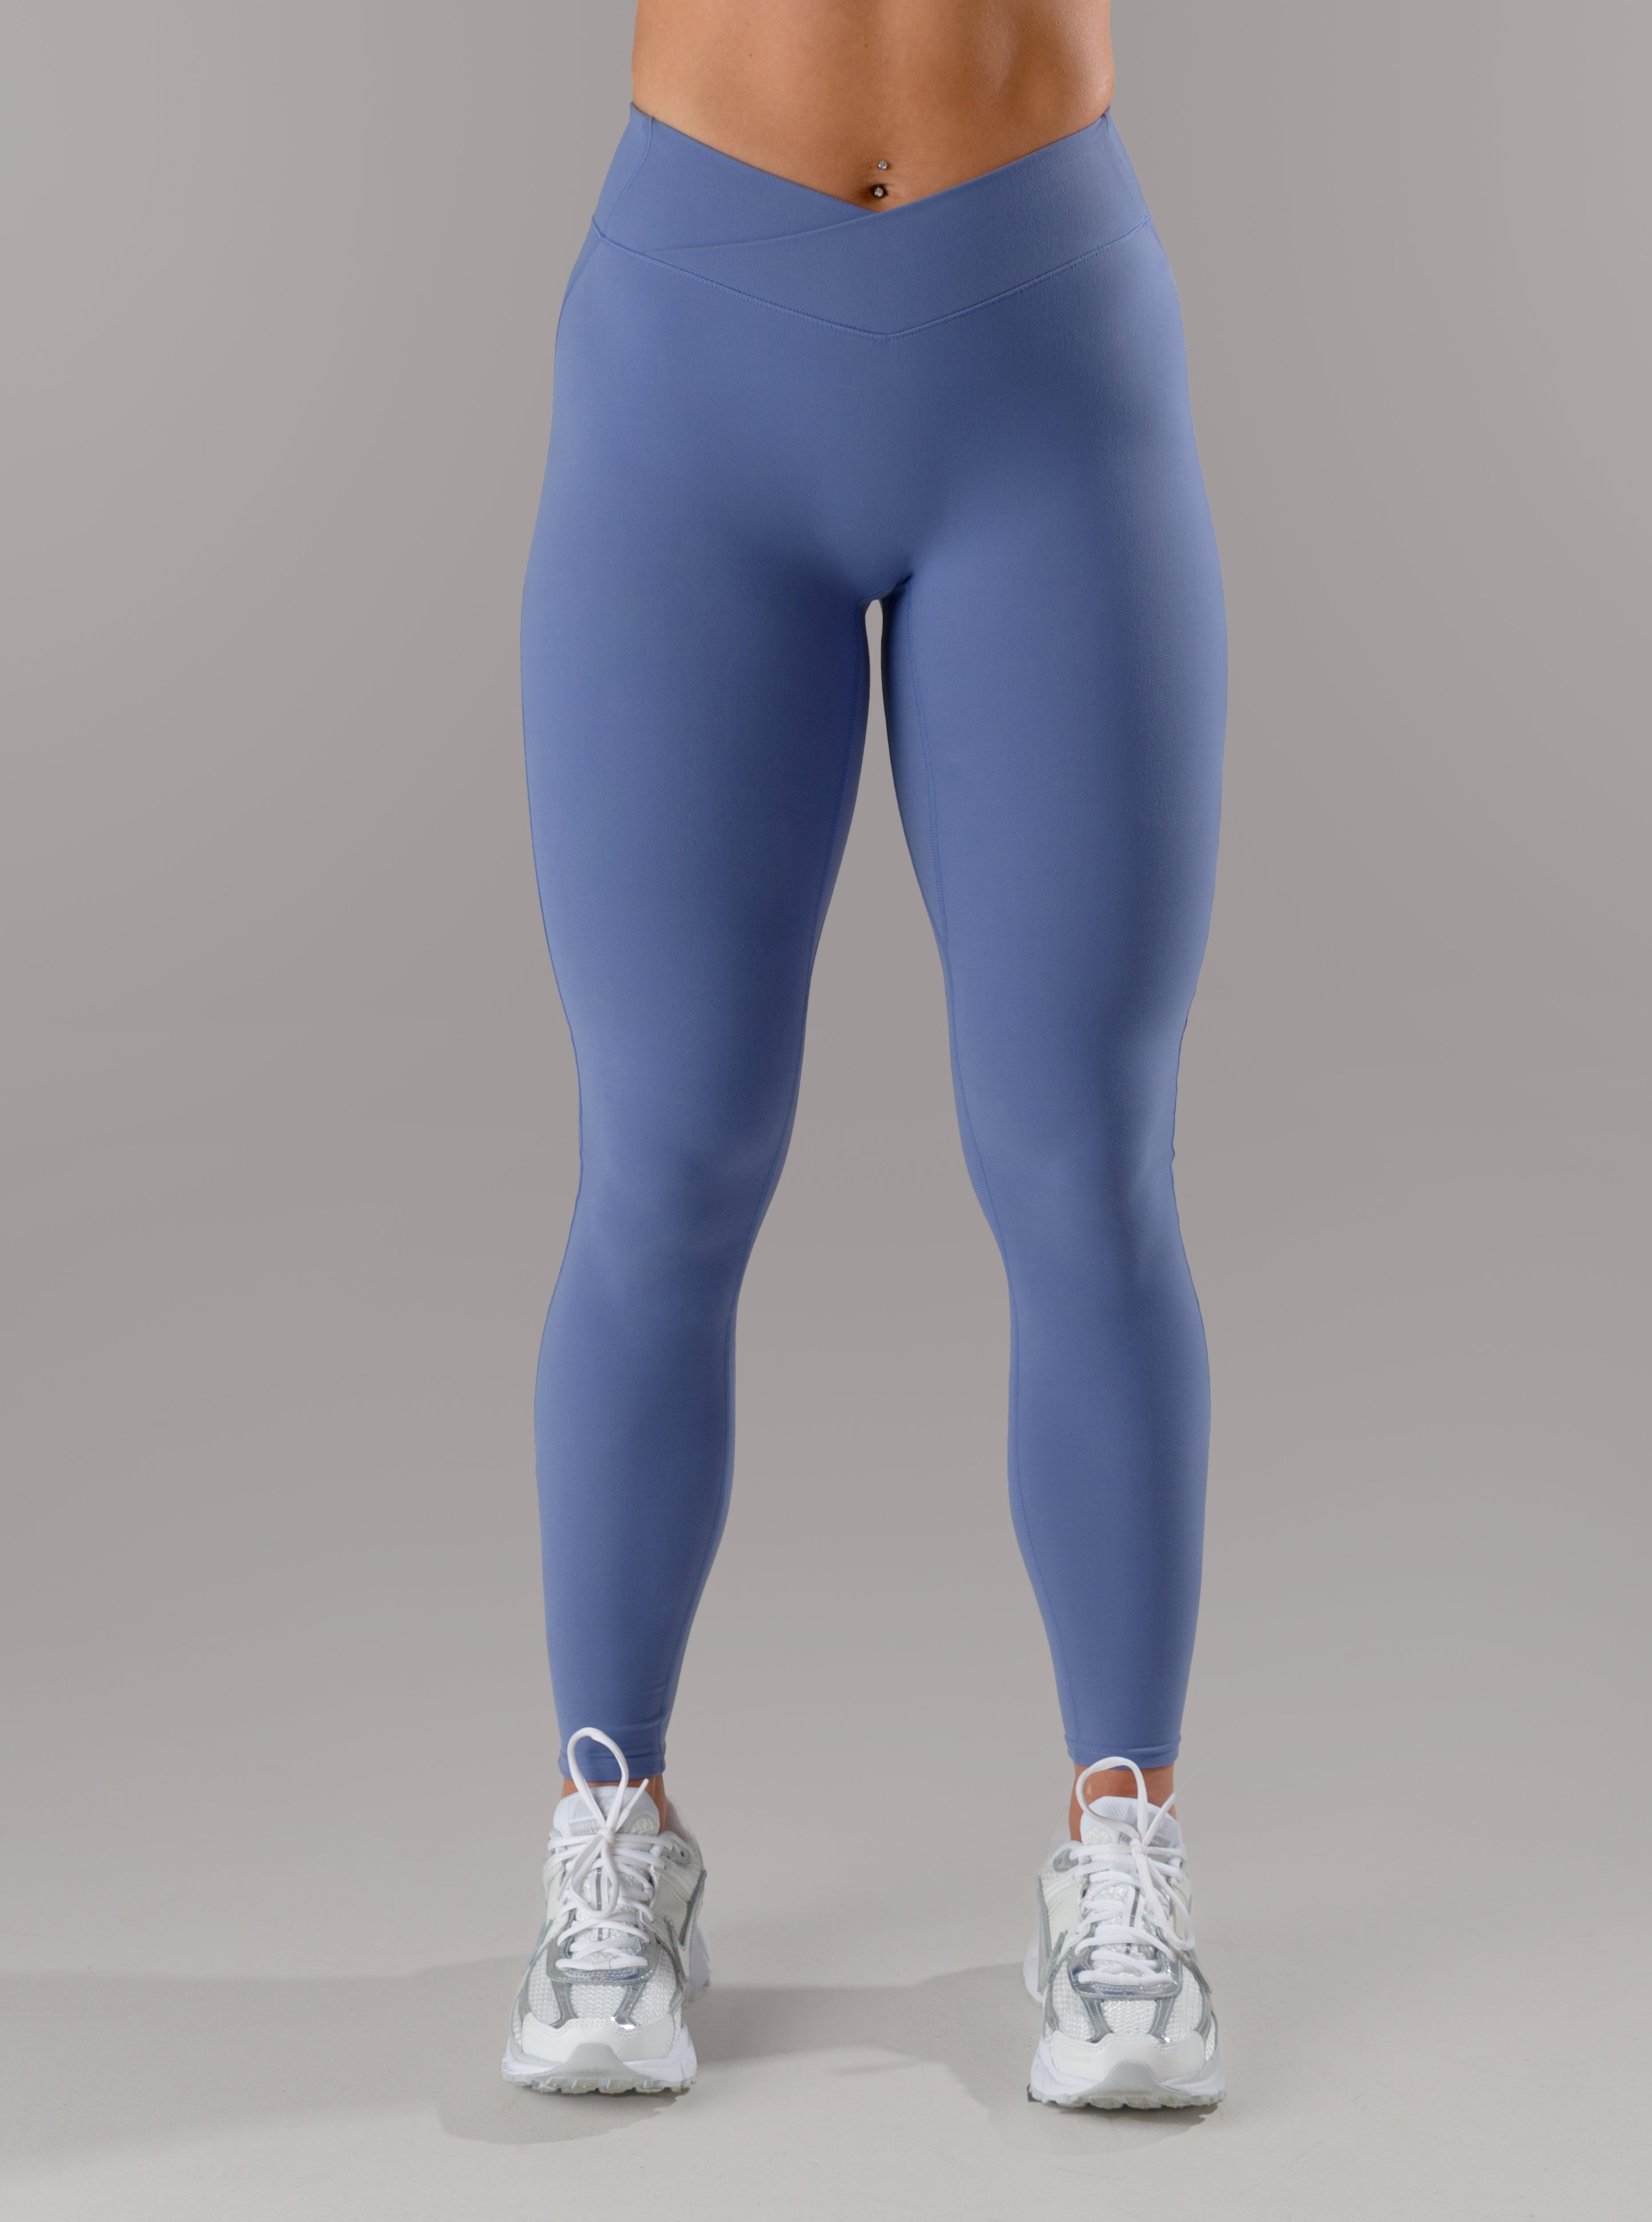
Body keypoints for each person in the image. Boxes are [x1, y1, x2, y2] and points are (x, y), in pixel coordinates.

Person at [502, 0, 1228, 2111]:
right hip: (696, 349)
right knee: (666, 1154)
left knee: (1084, 1157)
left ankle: (1121, 1853)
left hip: (1040, 343)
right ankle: (613, 1830)